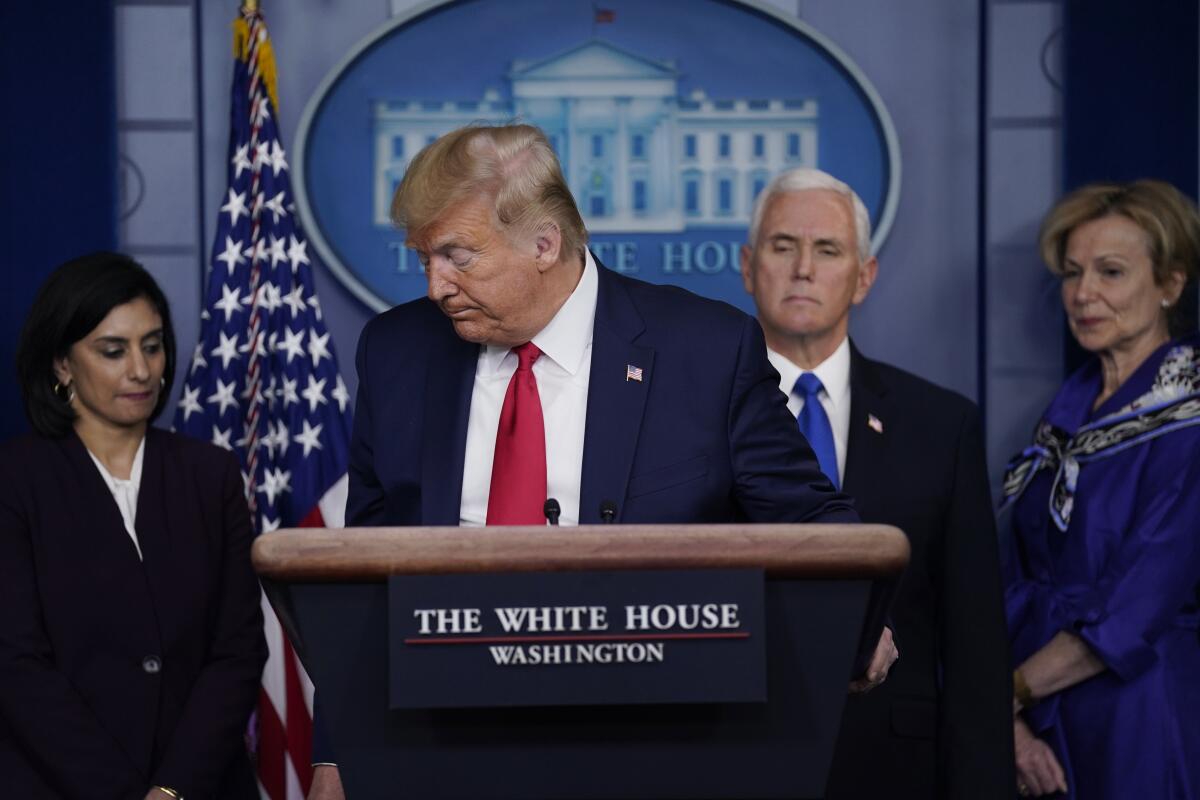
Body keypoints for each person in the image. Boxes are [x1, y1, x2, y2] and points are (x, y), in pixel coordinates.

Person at [307, 124, 898, 800]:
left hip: (650, 750)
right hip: (438, 745)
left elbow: (818, 524)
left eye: (458, 256)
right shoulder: (396, 351)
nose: (436, 286)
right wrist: (337, 748)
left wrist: (861, 623)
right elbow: (360, 576)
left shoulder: (702, 352)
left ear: (544, 243)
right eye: (423, 259)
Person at [740, 168, 1014, 798]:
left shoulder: (941, 424)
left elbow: (973, 645)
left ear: (864, 276)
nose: (803, 268)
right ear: (749, 265)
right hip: (739, 754)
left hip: (894, 766)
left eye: (828, 250)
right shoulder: (692, 414)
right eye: (783, 247)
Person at [0, 253, 268, 799]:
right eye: (113, 351)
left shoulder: (210, 475)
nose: (141, 370)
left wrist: (171, 790)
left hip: (199, 788)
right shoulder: (15, 481)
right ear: (61, 364)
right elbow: (17, 665)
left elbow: (236, 653)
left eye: (152, 344)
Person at [1000, 180, 1200, 799]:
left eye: (1111, 272)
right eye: (1072, 273)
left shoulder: (1190, 422)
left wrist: (1000, 697)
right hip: (1036, 713)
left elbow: (1136, 609)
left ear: (1170, 284)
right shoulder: (1063, 414)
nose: (1083, 294)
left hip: (1136, 709)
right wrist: (1008, 723)